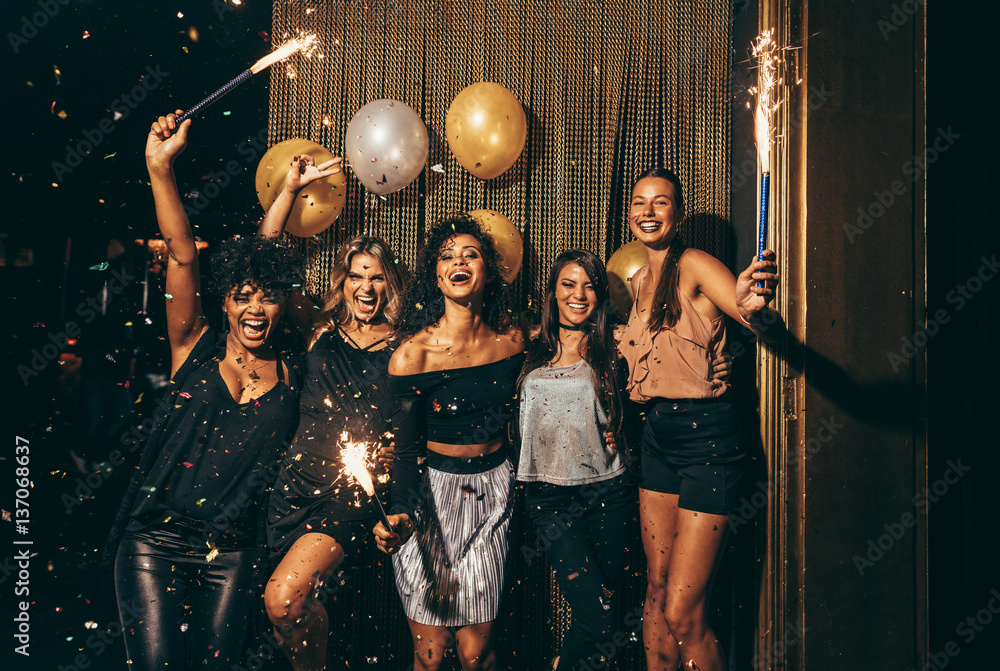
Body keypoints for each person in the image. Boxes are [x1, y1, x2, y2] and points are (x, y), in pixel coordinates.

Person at [104, 111, 304, 669]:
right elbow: (183, 251)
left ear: (280, 304)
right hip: (153, 546)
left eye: (266, 298)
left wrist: (286, 196)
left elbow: (260, 259)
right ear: (224, 301)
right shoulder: (192, 346)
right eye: (242, 296)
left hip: (231, 553)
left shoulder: (292, 374)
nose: (254, 309)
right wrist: (159, 168)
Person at [619, 167, 781, 671]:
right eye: (639, 202)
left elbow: (752, 313)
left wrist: (752, 308)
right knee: (656, 589)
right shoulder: (639, 281)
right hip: (657, 440)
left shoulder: (691, 264)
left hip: (707, 441)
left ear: (679, 213)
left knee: (683, 611)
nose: (648, 211)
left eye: (660, 202)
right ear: (629, 215)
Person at [257, 154, 406, 671]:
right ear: (342, 281)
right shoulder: (319, 329)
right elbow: (266, 264)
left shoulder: (408, 348)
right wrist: (290, 191)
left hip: (349, 493)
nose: (365, 288)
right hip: (293, 485)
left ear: (391, 284)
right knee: (291, 611)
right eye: (356, 276)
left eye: (377, 278)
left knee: (283, 598)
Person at [373, 213, 525, 671]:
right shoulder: (412, 355)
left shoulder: (514, 341)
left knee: (475, 654)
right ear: (435, 274)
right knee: (432, 655)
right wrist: (399, 510)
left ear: (487, 271)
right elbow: (403, 452)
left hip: (495, 495)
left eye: (470, 254)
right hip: (432, 502)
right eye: (447, 256)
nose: (458, 262)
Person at [514, 250, 635, 671]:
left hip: (608, 491)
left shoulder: (616, 345)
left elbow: (658, 382)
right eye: (568, 284)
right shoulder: (525, 348)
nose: (578, 294)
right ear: (553, 292)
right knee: (597, 617)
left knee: (607, 609)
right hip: (549, 498)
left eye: (588, 285)